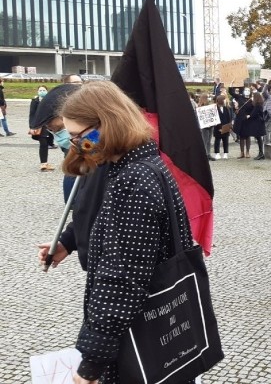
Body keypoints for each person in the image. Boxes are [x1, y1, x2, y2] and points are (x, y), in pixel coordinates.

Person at [37, 81, 195, 383]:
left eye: (76, 137)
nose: (74, 145)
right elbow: (93, 211)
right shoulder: (139, 164)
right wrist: (69, 242)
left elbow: (121, 280)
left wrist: (90, 366)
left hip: (134, 337)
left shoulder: (133, 180)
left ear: (105, 125)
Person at [29, 85, 56, 171]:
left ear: (47, 91)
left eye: (44, 90)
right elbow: (32, 114)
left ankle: (45, 163)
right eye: (40, 90)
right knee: (43, 144)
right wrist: (32, 126)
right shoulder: (35, 101)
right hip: (39, 125)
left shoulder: (50, 100)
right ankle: (43, 164)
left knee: (49, 142)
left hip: (49, 125)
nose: (42, 91)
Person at [213, 94, 233, 160]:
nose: (225, 101)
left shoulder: (226, 108)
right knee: (217, 141)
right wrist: (219, 128)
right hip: (217, 128)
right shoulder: (215, 108)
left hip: (226, 127)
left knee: (225, 140)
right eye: (224, 99)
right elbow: (214, 119)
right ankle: (217, 153)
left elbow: (229, 118)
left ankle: (225, 153)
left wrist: (229, 127)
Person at [197, 93, 216, 161]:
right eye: (207, 98)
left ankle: (208, 154)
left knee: (209, 141)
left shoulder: (209, 105)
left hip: (210, 125)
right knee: (205, 141)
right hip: (204, 126)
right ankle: (203, 155)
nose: (208, 99)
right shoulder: (199, 106)